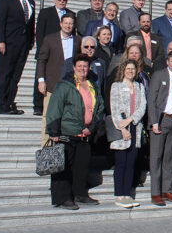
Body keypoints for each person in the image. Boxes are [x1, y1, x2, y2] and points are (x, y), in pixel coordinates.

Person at [45, 54, 105, 210]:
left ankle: (80, 193)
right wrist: (53, 130)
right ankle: (63, 197)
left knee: (81, 166)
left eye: (85, 66)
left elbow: (99, 108)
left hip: (85, 134)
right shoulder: (65, 85)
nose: (82, 69)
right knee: (63, 167)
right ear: (73, 68)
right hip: (67, 132)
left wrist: (91, 127)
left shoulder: (92, 85)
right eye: (79, 66)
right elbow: (54, 108)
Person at [147, 50, 172, 206]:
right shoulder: (159, 75)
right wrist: (154, 122)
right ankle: (156, 193)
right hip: (161, 120)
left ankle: (167, 190)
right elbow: (151, 99)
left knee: (169, 158)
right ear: (167, 62)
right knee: (156, 157)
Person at [36, 13, 81, 145]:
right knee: (48, 115)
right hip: (52, 84)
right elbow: (41, 60)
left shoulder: (77, 40)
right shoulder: (50, 39)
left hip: (69, 86)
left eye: (71, 23)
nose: (68, 26)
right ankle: (46, 145)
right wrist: (41, 80)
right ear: (61, 24)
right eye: (66, 23)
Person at [0, 0, 36, 115]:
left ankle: (10, 101)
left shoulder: (31, 2)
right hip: (8, 43)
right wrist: (0, 41)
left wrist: (30, 41)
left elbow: (30, 24)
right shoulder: (6, 0)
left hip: (23, 45)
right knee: (4, 74)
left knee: (16, 75)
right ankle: (2, 104)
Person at [109, 60, 147, 208]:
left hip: (135, 127)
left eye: (133, 69)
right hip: (121, 128)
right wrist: (122, 127)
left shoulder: (139, 86)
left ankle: (127, 194)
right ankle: (119, 195)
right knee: (121, 163)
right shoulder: (116, 86)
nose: (131, 71)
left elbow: (142, 106)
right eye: (128, 69)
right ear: (123, 70)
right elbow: (115, 107)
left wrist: (131, 119)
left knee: (131, 163)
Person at [33, 0, 74, 115]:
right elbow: (40, 32)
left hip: (65, 51)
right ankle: (38, 105)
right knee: (42, 77)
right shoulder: (46, 13)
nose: (62, 1)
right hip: (48, 50)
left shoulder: (71, 14)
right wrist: (41, 51)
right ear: (54, 0)